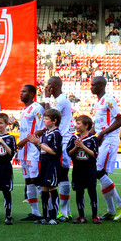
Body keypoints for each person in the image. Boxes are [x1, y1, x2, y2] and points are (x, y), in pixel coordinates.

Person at [90, 76, 121, 221]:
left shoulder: (109, 100)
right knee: (101, 174)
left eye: (93, 85)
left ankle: (119, 205)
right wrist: (88, 135)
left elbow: (119, 120)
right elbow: (97, 124)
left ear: (100, 86)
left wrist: (102, 133)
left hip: (109, 141)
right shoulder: (99, 102)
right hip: (102, 140)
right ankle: (111, 209)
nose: (91, 87)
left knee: (99, 172)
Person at [44, 76, 75, 221]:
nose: (47, 86)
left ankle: (64, 211)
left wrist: (45, 99)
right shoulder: (56, 100)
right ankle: (61, 210)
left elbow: (48, 115)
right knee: (57, 175)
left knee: (62, 174)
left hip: (63, 140)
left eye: (49, 84)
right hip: (58, 139)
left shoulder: (61, 100)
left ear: (55, 86)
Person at [28, 109, 62, 225]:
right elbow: (43, 150)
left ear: (54, 121)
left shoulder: (56, 133)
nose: (44, 121)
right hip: (44, 164)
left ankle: (54, 216)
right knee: (44, 189)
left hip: (52, 165)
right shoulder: (45, 134)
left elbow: (55, 152)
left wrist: (39, 144)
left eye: (46, 119)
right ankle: (45, 215)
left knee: (52, 187)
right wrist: (37, 145)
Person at [18, 84, 45, 221]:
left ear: (32, 93)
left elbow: (43, 128)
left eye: (24, 92)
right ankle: (35, 212)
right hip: (24, 151)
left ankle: (48, 211)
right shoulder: (24, 109)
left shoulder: (37, 108)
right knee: (28, 180)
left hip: (33, 150)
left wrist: (25, 141)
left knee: (37, 180)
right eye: (21, 91)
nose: (21, 93)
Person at [67, 115, 100, 224]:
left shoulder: (93, 138)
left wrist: (83, 146)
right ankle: (81, 216)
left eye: (78, 123)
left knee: (92, 192)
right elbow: (69, 153)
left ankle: (95, 215)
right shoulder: (73, 138)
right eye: (76, 123)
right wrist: (76, 147)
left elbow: (94, 154)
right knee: (79, 192)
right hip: (77, 170)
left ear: (86, 126)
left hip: (89, 169)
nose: (76, 126)